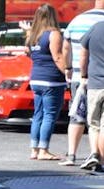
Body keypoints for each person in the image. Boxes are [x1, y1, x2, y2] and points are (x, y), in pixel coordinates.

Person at [61, 0, 104, 167]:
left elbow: (68, 48)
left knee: (82, 118)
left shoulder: (78, 20)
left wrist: (71, 69)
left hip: (86, 80)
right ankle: (102, 160)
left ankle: (73, 154)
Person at [24, 4, 66, 161]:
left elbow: (27, 52)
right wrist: (68, 73)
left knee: (38, 114)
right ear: (52, 16)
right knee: (49, 115)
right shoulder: (53, 34)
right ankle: (44, 150)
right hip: (52, 80)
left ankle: (34, 150)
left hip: (36, 78)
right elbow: (57, 57)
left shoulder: (33, 35)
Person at [79, 15, 104, 173]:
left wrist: (84, 75)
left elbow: (84, 53)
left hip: (94, 84)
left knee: (93, 123)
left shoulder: (96, 27)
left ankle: (94, 153)